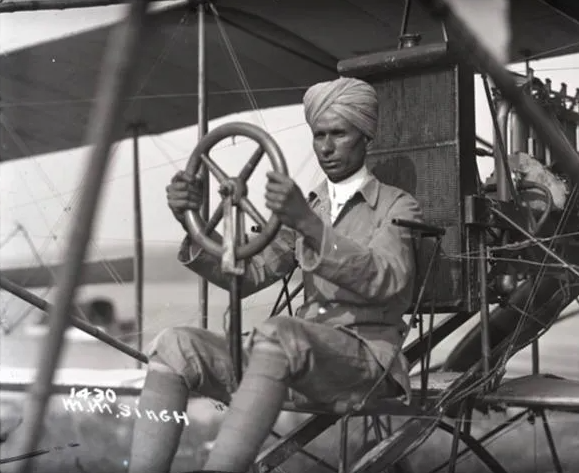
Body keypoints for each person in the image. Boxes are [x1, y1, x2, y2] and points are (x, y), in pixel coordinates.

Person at [127, 77, 423, 473]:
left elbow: (387, 278)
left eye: (339, 134)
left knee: (281, 334)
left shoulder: (398, 206)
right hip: (294, 359)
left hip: (367, 363)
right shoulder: (310, 206)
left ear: (366, 135)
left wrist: (309, 226)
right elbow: (249, 272)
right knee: (173, 346)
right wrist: (192, 220)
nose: (326, 147)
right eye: (319, 135)